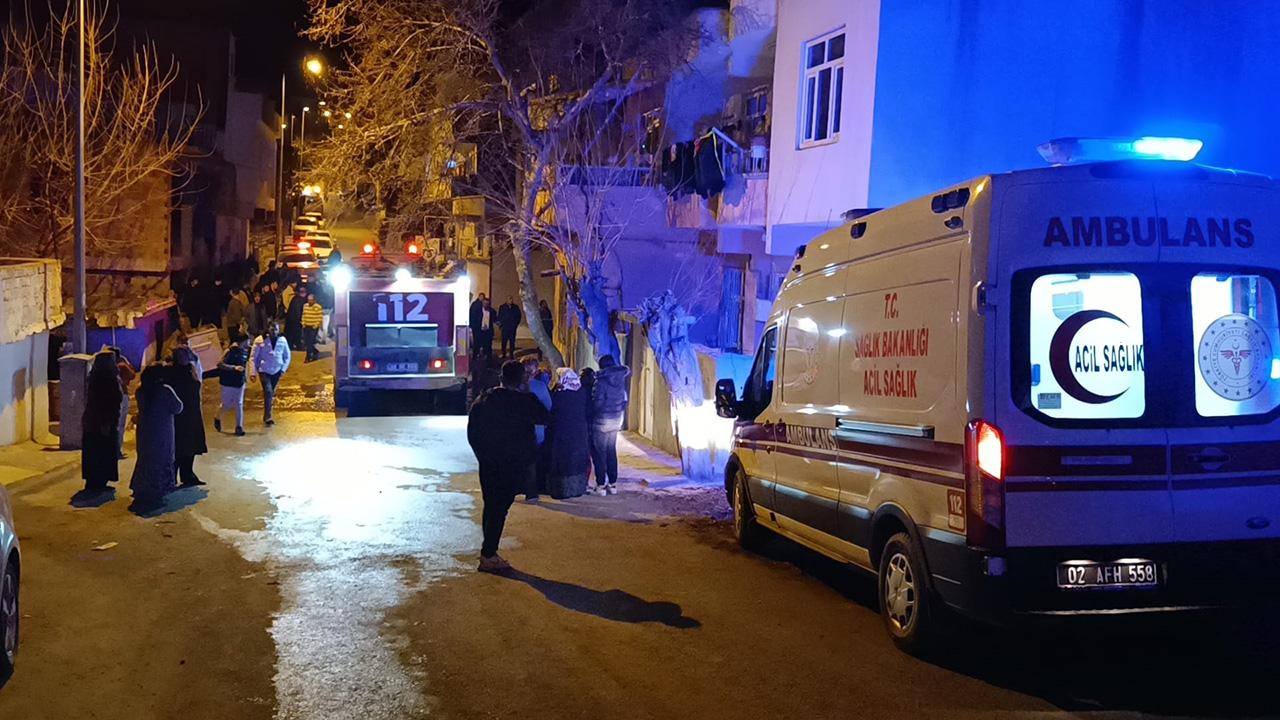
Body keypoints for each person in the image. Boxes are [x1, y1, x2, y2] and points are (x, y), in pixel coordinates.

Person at [466, 360, 548, 573]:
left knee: (492, 506)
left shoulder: (484, 400)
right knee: (499, 509)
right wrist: (528, 392)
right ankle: (488, 554)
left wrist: (483, 456)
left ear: (501, 378)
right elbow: (544, 417)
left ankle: (488, 551)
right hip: (511, 465)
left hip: (489, 463)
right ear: (522, 380)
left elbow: (473, 433)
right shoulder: (524, 401)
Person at [129, 364, 183, 512]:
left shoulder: (141, 390)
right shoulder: (165, 390)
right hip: (162, 430)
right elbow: (178, 407)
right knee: (161, 459)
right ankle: (157, 492)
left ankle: (142, 489)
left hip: (145, 429)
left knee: (146, 459)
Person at [589, 354, 632, 495]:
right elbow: (624, 400)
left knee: (599, 452)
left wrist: (593, 412)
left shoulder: (601, 382)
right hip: (616, 420)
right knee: (611, 450)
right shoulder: (620, 380)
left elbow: (597, 402)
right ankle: (613, 484)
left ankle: (601, 485)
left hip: (601, 421)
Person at [81, 351, 123, 492]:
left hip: (92, 422)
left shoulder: (94, 378)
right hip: (104, 423)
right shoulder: (109, 379)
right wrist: (108, 422)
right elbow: (112, 402)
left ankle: (93, 481)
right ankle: (100, 482)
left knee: (93, 451)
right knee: (103, 451)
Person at [546, 367, 590, 499]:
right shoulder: (582, 393)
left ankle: (562, 490)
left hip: (563, 432)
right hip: (579, 432)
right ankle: (577, 489)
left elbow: (553, 411)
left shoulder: (559, 395)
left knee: (563, 462)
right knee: (577, 461)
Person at [166, 349, 207, 487]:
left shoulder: (189, 369)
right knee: (179, 446)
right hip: (180, 414)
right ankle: (173, 476)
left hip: (190, 413)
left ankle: (187, 474)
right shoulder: (172, 372)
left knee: (189, 446)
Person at [252, 321, 291, 426]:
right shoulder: (260, 340)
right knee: (268, 391)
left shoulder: (282, 340)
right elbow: (253, 357)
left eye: (276, 329)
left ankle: (267, 414)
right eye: (272, 329)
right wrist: (253, 372)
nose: (274, 331)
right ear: (268, 330)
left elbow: (287, 356)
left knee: (270, 393)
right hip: (264, 370)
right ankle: (268, 417)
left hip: (277, 371)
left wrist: (283, 369)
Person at [524, 358, 552, 500]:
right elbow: (548, 406)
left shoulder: (516, 386)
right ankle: (534, 490)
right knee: (534, 461)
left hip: (517, 430)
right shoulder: (540, 386)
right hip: (537, 430)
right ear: (535, 371)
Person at [214, 333, 251, 436]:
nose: (249, 343)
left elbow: (245, 365)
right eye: (248, 341)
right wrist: (234, 368)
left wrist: (245, 378)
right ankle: (217, 417)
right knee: (226, 404)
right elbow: (220, 364)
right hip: (228, 382)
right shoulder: (229, 351)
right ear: (243, 341)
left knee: (239, 404)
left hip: (239, 382)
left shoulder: (245, 351)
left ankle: (239, 427)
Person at [111, 347, 136, 460]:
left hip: (111, 398)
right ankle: (117, 450)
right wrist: (127, 363)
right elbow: (132, 374)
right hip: (122, 396)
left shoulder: (107, 368)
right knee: (120, 425)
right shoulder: (122, 366)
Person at [469, 293, 495, 358]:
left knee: (487, 345)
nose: (486, 305)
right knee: (477, 343)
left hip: (488, 331)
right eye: (484, 303)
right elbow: (474, 319)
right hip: (479, 330)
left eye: (487, 304)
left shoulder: (491, 311)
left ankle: (487, 357)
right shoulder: (477, 310)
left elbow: (494, 318)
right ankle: (475, 356)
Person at [301, 293, 324, 362]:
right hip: (306, 326)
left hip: (313, 327)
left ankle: (308, 357)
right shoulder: (305, 306)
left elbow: (320, 317)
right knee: (306, 342)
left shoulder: (318, 307)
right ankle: (315, 351)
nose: (309, 301)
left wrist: (316, 325)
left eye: (311, 300)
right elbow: (303, 315)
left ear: (314, 300)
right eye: (308, 300)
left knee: (310, 342)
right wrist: (303, 323)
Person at [284, 283, 306, 350]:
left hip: (290, 320)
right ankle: (298, 347)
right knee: (296, 334)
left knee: (291, 335)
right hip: (295, 320)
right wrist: (300, 320)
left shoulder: (295, 298)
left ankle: (292, 346)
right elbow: (298, 311)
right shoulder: (299, 300)